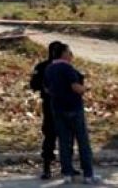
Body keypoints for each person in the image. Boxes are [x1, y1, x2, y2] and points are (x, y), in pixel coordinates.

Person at [44, 43, 102, 184]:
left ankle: (67, 174)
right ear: (63, 53)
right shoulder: (68, 68)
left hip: (57, 108)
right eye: (69, 52)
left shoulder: (49, 69)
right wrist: (85, 89)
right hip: (74, 108)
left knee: (64, 142)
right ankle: (88, 174)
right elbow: (76, 87)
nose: (71, 55)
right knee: (83, 141)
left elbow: (46, 89)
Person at [29, 40, 65, 179]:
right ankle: (47, 166)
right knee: (50, 134)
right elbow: (33, 84)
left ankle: (65, 166)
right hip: (50, 104)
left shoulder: (65, 66)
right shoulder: (43, 66)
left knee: (65, 136)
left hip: (64, 103)